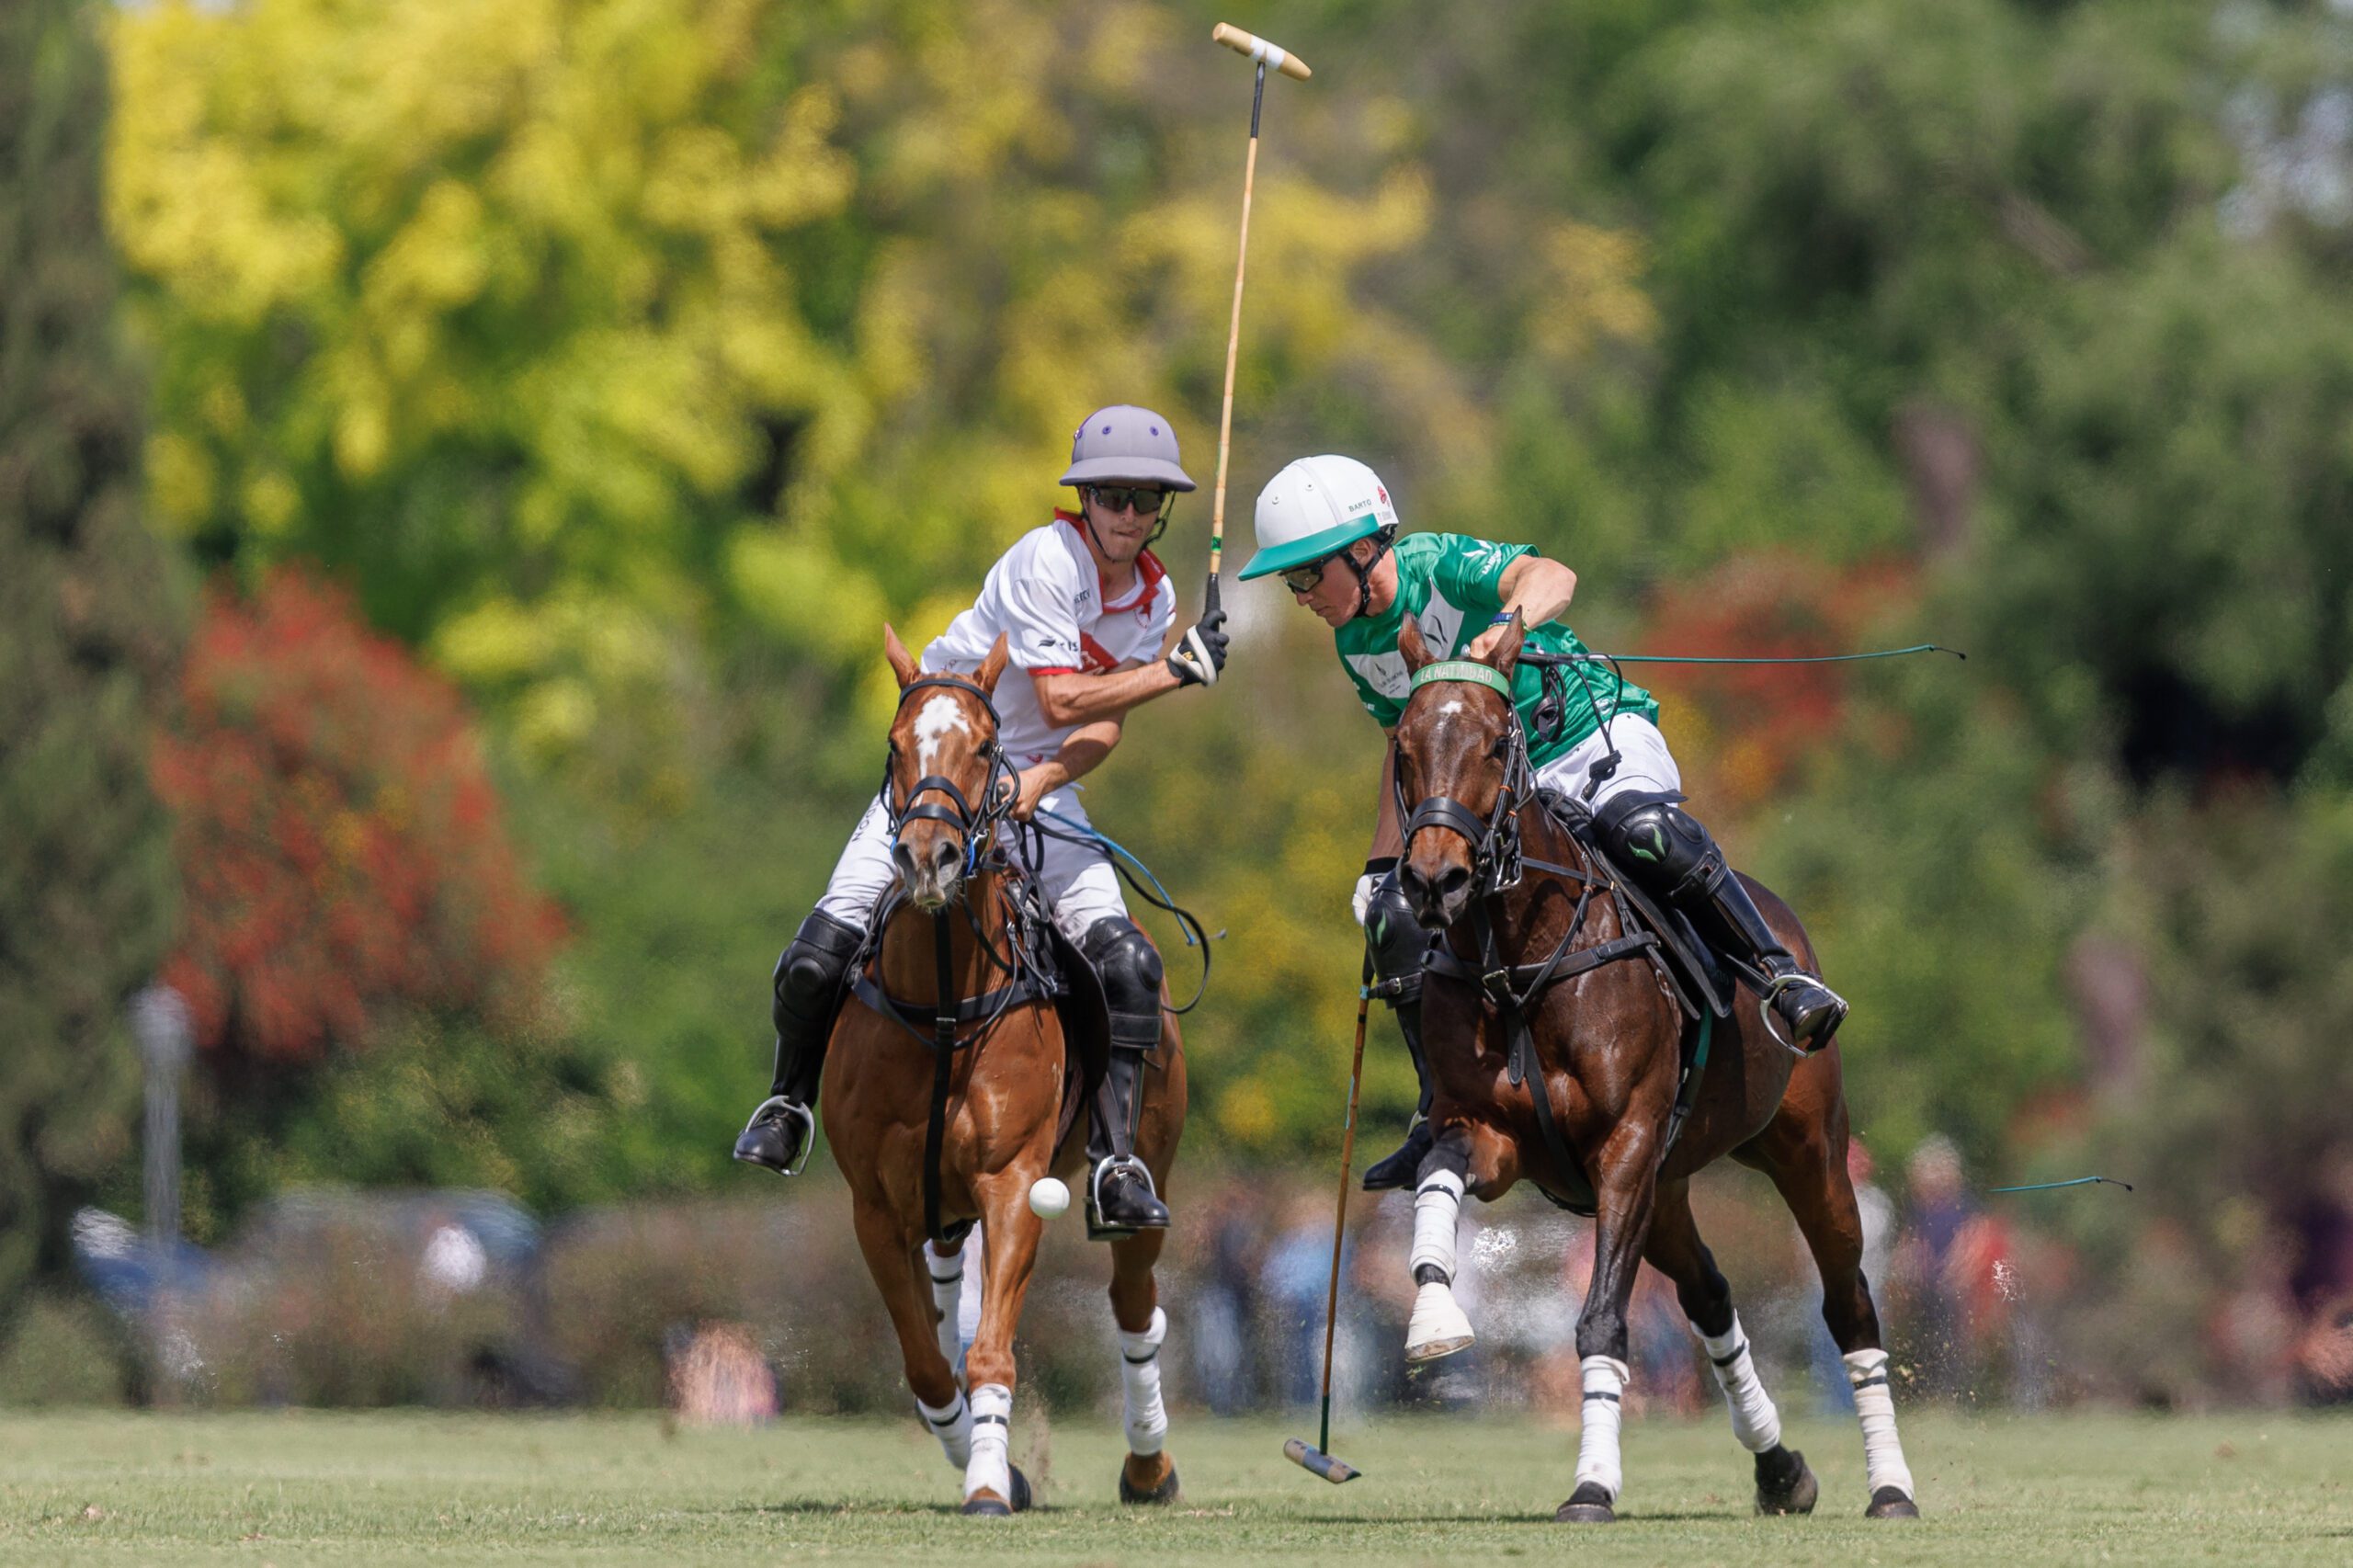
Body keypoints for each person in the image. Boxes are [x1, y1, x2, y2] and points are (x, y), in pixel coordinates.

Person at [1235, 454, 1847, 1191]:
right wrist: (1378, 868)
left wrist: (1499, 632)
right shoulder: (1355, 645)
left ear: (1363, 552)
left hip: (1586, 733)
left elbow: (1552, 576)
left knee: (1640, 830)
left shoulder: (1437, 564)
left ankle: (1779, 975)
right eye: (1289, 580)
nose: (1299, 594)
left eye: (1306, 573)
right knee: (1398, 918)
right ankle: (1439, 1108)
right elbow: (1407, 749)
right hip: (1488, 790)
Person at [732, 405, 1230, 1237]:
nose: (1129, 516)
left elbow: (1098, 727)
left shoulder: (1156, 597)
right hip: (941, 772)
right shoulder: (1047, 559)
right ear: (1086, 498)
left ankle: (1115, 1162)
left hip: (1035, 786)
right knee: (818, 956)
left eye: (1146, 500)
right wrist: (1176, 673)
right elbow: (1060, 696)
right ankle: (787, 1105)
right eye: (1112, 496)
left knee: (1131, 966)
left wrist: (1046, 776)